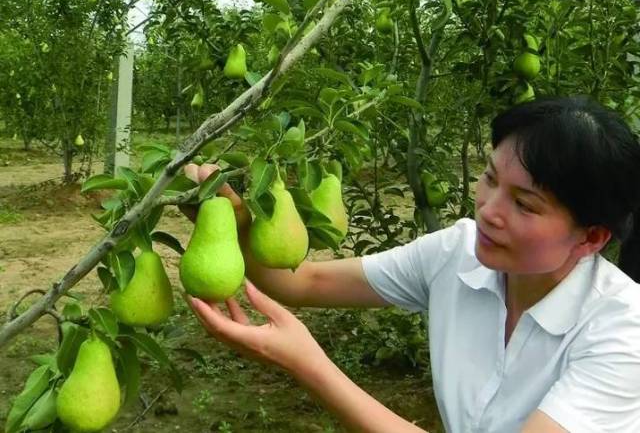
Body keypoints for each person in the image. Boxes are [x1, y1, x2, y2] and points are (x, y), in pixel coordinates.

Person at [183, 95, 640, 433]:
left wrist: (309, 365)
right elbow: (304, 281)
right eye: (490, 178)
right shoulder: (456, 254)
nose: (488, 209)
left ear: (591, 237)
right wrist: (231, 221)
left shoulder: (623, 332)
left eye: (524, 204)